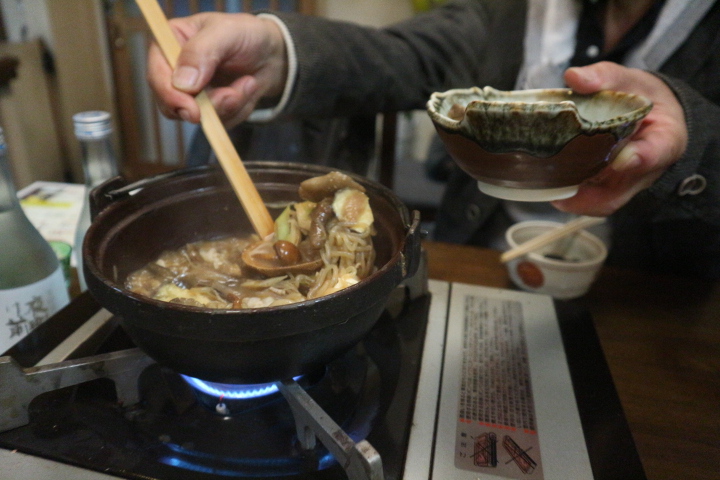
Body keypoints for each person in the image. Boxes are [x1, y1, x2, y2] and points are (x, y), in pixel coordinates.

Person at [147, 0, 720, 279]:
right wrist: (272, 49)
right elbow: (404, 55)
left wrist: (694, 133)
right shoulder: (518, 8)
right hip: (483, 267)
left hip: (653, 305)